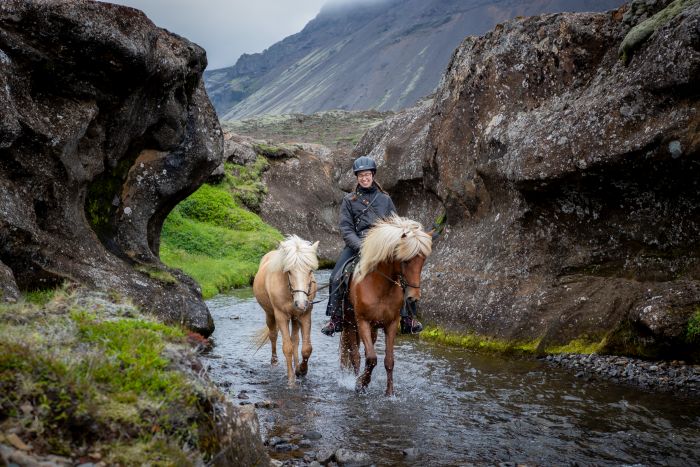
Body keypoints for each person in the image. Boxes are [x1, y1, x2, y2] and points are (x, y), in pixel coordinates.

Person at [321, 155, 423, 336]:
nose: (364, 178)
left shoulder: (385, 199)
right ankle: (335, 319)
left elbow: (395, 223)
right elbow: (346, 228)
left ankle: (408, 319)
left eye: (367, 174)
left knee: (405, 273)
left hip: (384, 246)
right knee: (336, 277)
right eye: (361, 175)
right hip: (357, 245)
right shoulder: (349, 200)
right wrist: (360, 246)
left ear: (373, 175)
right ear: (357, 178)